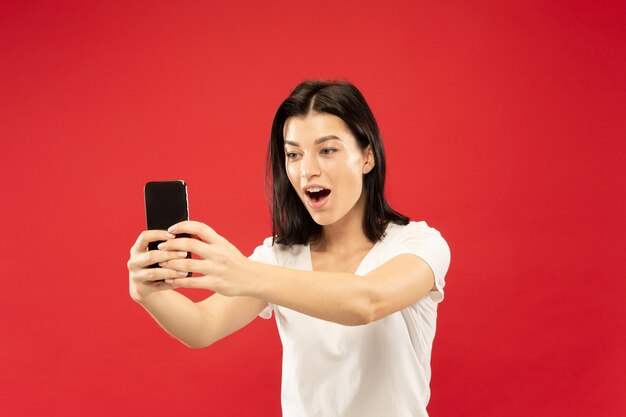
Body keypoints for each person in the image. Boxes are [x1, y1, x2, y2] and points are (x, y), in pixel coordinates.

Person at [127, 80, 451, 417]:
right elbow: (202, 326)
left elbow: (366, 301)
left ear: (367, 156)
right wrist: (147, 292)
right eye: (294, 154)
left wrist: (244, 273)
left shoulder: (419, 244)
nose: (308, 170)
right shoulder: (279, 257)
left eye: (327, 150)